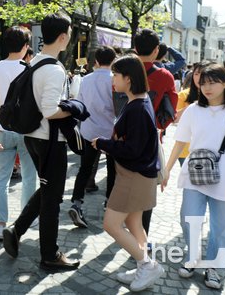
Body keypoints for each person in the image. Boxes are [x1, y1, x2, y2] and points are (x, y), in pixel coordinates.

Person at [162, 64, 225, 290]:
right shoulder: (194, 110)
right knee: (189, 217)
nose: (206, 87)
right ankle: (193, 257)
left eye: (212, 82)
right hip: (195, 176)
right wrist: (167, 169)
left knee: (221, 227)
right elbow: (180, 142)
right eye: (203, 82)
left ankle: (216, 267)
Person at [1, 13, 80, 272]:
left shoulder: (35, 62)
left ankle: (17, 229)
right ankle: (50, 255)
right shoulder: (54, 69)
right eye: (68, 34)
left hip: (34, 138)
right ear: (62, 37)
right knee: (52, 199)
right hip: (49, 140)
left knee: (48, 189)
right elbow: (50, 110)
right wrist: (74, 109)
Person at [92, 54, 163, 292]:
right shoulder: (138, 104)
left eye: (115, 74)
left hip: (134, 176)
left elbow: (133, 149)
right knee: (134, 223)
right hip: (138, 175)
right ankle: (143, 264)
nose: (112, 79)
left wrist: (103, 143)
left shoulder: (137, 108)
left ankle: (147, 264)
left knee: (111, 225)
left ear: (129, 79)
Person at [0, 26, 37, 240]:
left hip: (3, 129)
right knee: (29, 176)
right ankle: (26, 219)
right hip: (27, 130)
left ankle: (0, 224)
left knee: (1, 178)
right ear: (25, 46)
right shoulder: (30, 68)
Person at [133, 29, 177, 237]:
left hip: (120, 137)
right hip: (150, 140)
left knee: (123, 186)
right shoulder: (164, 76)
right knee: (146, 193)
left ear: (134, 48)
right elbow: (170, 111)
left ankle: (124, 231)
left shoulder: (123, 69)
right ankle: (141, 239)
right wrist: (161, 126)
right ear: (157, 50)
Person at [69, 45, 117, 228]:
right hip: (110, 131)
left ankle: (77, 202)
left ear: (96, 61)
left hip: (88, 130)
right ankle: (109, 203)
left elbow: (80, 104)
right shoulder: (115, 79)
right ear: (113, 60)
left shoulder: (86, 79)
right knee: (113, 169)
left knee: (85, 168)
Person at [175, 62, 214, 166]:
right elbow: (175, 119)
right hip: (186, 149)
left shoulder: (217, 95)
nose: (198, 77)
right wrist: (191, 107)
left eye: (202, 73)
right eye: (196, 74)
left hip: (211, 148)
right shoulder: (183, 95)